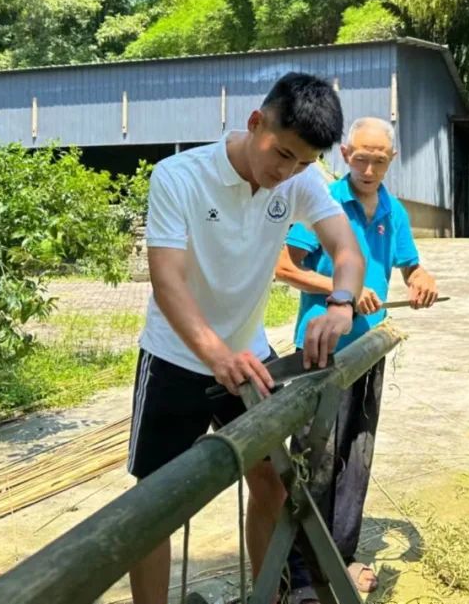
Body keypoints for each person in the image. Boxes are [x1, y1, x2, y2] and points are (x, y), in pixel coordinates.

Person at [128, 72, 366, 604]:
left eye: (304, 163)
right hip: (176, 355)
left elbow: (347, 252)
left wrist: (342, 302)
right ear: (255, 122)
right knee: (153, 507)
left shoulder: (300, 181)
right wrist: (215, 353)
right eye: (282, 155)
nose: (288, 172)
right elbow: (166, 280)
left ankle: (272, 595)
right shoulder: (179, 176)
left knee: (272, 483)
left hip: (250, 356)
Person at [275, 116, 439, 600]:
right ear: (345, 155)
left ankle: (340, 558)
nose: (368, 168)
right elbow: (285, 267)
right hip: (322, 352)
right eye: (361, 158)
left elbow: (409, 263)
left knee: (356, 458)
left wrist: (420, 276)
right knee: (315, 460)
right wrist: (342, 290)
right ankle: (300, 573)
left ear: (392, 160)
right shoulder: (324, 205)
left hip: (369, 350)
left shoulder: (393, 209)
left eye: (379, 160)